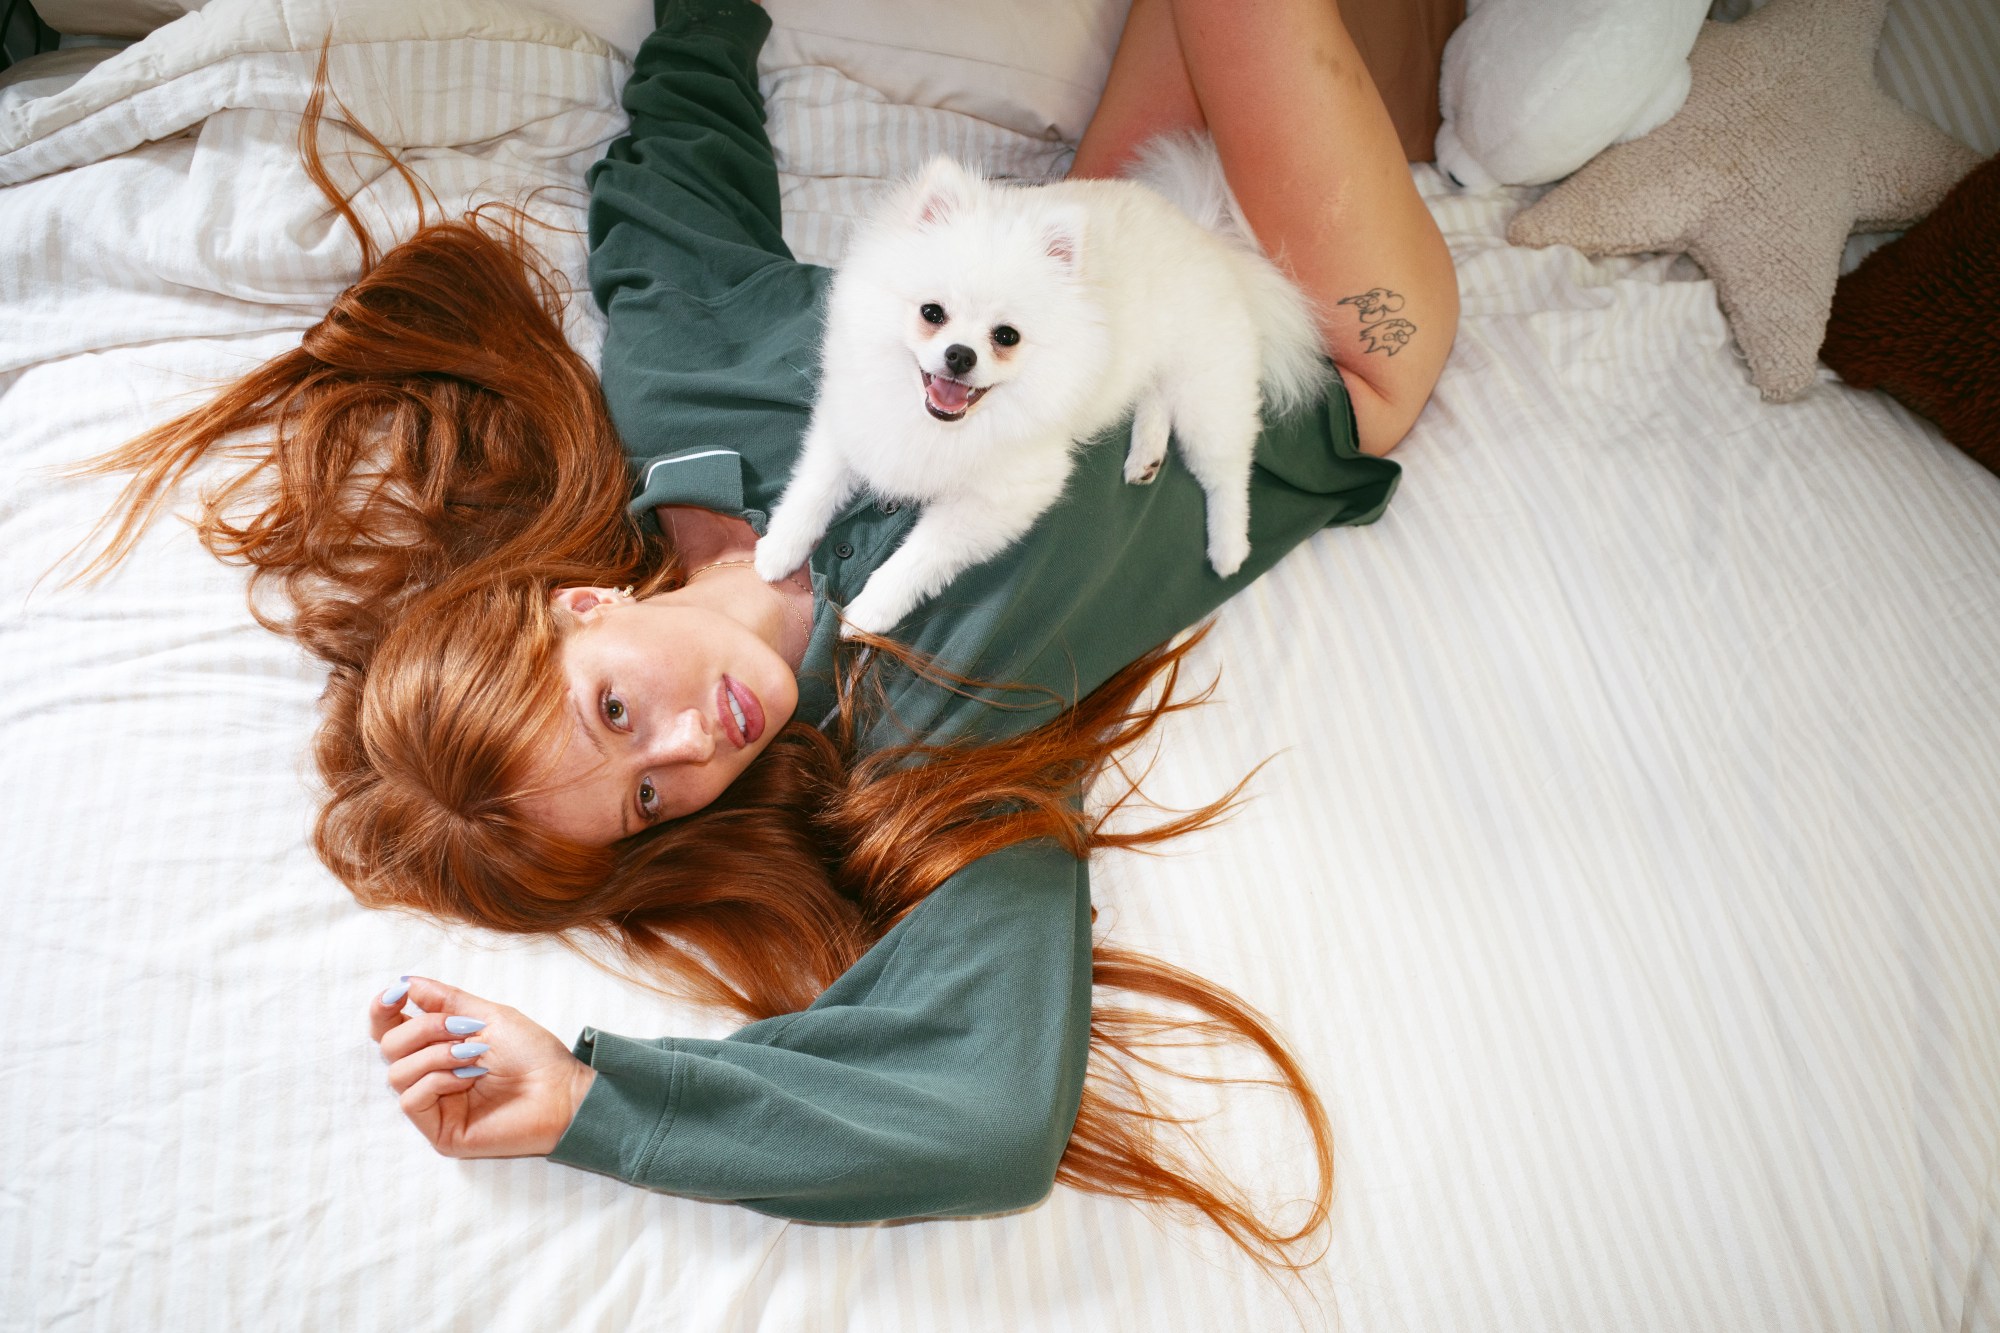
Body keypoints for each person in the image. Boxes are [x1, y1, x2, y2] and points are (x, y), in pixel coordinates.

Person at [85, 0, 1455, 1271]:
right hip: (1336, 342)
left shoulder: (679, 381)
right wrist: (587, 1103)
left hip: (1098, 236)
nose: (693, 747)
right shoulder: (923, 752)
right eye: (643, 798)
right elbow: (986, 1118)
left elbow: (684, 136)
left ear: (585, 605)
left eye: (615, 711)